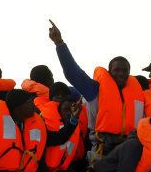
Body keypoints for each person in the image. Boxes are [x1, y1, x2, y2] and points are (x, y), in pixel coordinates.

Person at [48, 20, 144, 162]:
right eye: (116, 70)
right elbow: (73, 73)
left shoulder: (137, 93)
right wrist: (59, 43)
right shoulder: (94, 90)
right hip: (104, 152)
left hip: (130, 152)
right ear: (109, 72)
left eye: (125, 70)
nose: (121, 74)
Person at [40, 93, 85, 172]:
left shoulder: (75, 129)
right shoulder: (44, 129)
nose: (69, 113)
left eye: (71, 110)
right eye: (65, 110)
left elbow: (63, 160)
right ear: (59, 112)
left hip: (61, 171)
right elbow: (60, 137)